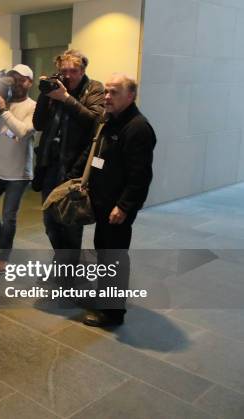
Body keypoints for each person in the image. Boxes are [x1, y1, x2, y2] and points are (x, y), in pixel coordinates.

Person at [68, 73, 156, 327]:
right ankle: (106, 299)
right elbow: (99, 155)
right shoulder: (110, 121)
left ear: (131, 96)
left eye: (114, 92)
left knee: (114, 257)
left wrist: (124, 206)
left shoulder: (138, 128)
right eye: (106, 91)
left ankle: (113, 313)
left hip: (116, 208)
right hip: (103, 203)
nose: (107, 96)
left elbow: (140, 176)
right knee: (104, 253)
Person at [32, 50, 104, 251]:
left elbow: (94, 120)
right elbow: (38, 124)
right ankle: (63, 259)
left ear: (82, 71)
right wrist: (45, 94)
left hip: (75, 167)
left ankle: (69, 270)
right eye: (64, 71)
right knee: (50, 222)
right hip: (50, 165)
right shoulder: (55, 89)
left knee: (71, 222)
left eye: (73, 70)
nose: (68, 75)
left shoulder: (94, 89)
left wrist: (65, 98)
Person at [0, 64, 36, 272]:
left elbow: (22, 131)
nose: (16, 82)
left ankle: (3, 253)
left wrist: (2, 109)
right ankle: (2, 241)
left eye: (21, 79)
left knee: (9, 216)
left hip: (19, 174)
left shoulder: (34, 107)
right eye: (12, 78)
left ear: (30, 82)